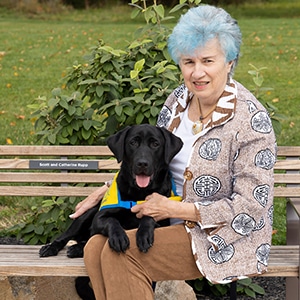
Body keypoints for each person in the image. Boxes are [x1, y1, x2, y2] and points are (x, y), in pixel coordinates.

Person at [70, 5, 277, 299]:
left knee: (123, 254)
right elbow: (153, 162)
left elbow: (250, 207)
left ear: (229, 62)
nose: (197, 72)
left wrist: (174, 209)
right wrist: (106, 191)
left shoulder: (250, 120)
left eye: (208, 60)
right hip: (162, 222)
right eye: (188, 61)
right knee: (94, 248)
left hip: (221, 236)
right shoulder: (179, 100)